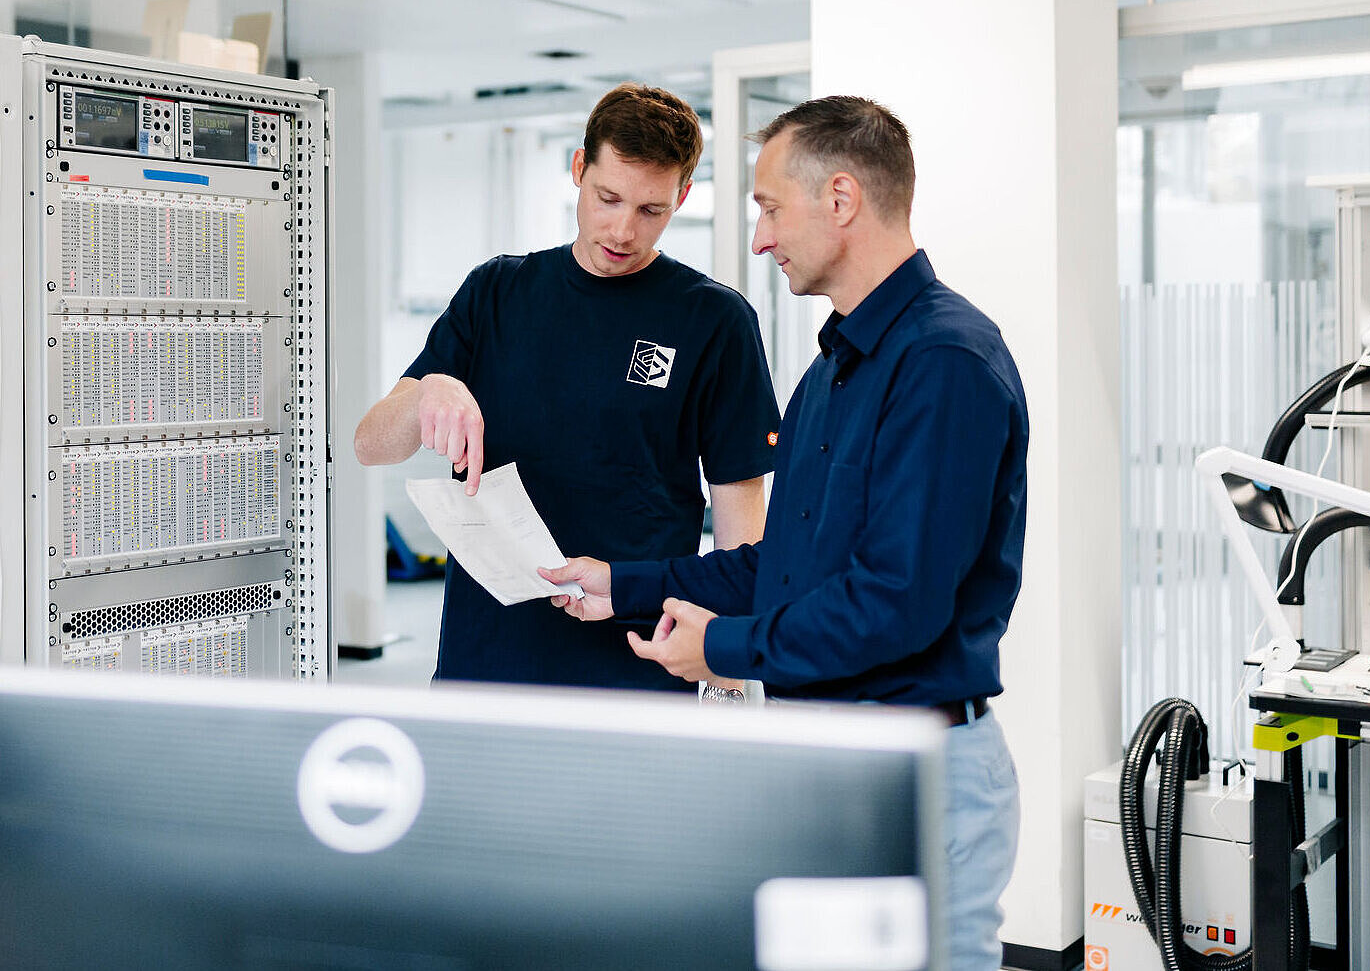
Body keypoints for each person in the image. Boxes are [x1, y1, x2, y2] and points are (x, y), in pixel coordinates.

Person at [540, 95, 1026, 970]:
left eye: (767, 208)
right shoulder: (834, 369)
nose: (759, 239)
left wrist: (725, 648)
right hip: (841, 763)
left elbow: (896, 603)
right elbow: (784, 564)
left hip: (920, 769)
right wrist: (627, 584)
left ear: (839, 198)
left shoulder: (942, 363)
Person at [353, 83, 779, 692]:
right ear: (579, 170)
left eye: (651, 210)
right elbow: (371, 445)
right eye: (608, 198)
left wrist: (728, 666)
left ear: (682, 196)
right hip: (488, 661)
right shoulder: (496, 293)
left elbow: (742, 519)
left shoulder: (714, 321)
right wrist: (427, 393)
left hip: (638, 666)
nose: (624, 230)